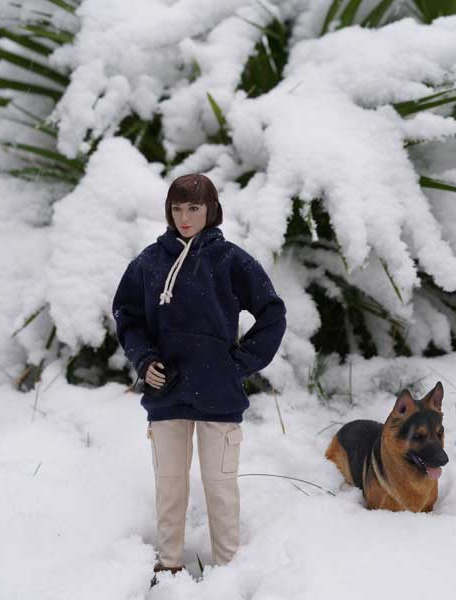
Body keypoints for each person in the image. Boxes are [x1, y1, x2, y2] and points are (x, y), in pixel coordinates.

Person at [111, 173, 287, 584]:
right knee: (169, 485)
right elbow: (128, 315)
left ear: (211, 209)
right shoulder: (149, 263)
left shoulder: (232, 261)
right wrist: (144, 358)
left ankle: (229, 569)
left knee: (220, 485)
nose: (185, 217)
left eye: (193, 208)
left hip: (218, 393)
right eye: (177, 208)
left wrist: (240, 363)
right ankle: (168, 564)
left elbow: (272, 312)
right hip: (166, 392)